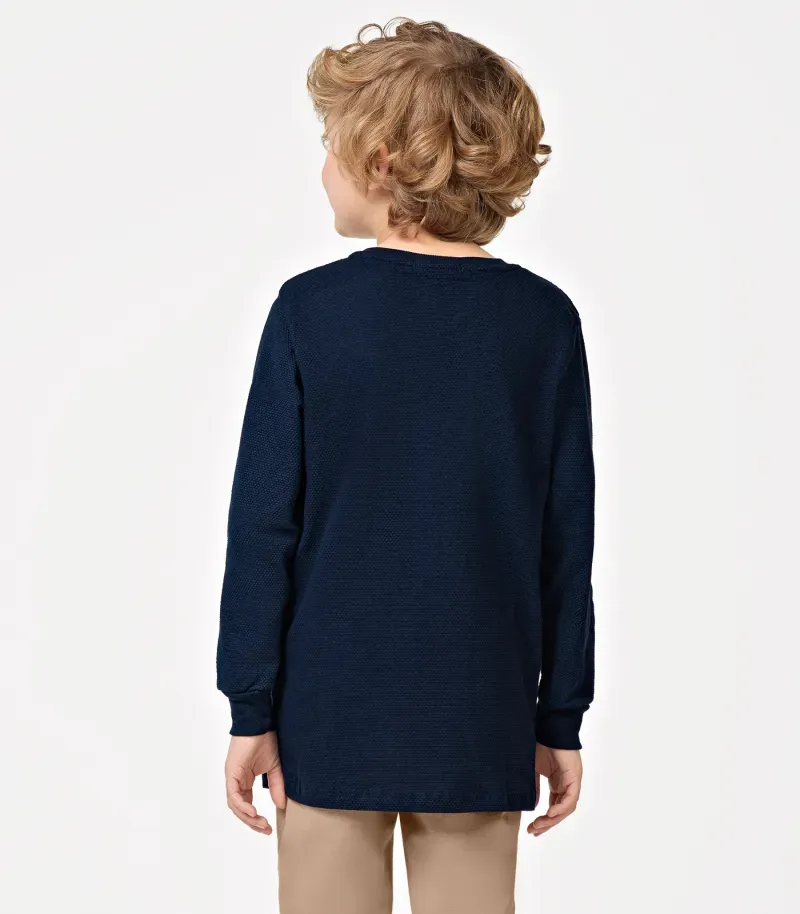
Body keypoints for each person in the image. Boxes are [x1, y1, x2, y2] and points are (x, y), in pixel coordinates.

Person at [217, 18, 595, 914]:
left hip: (329, 714)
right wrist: (560, 716)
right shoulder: (542, 322)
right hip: (480, 712)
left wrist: (250, 708)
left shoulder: (310, 312)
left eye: (330, 145)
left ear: (382, 161)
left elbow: (264, 528)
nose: (322, 168)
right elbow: (563, 540)